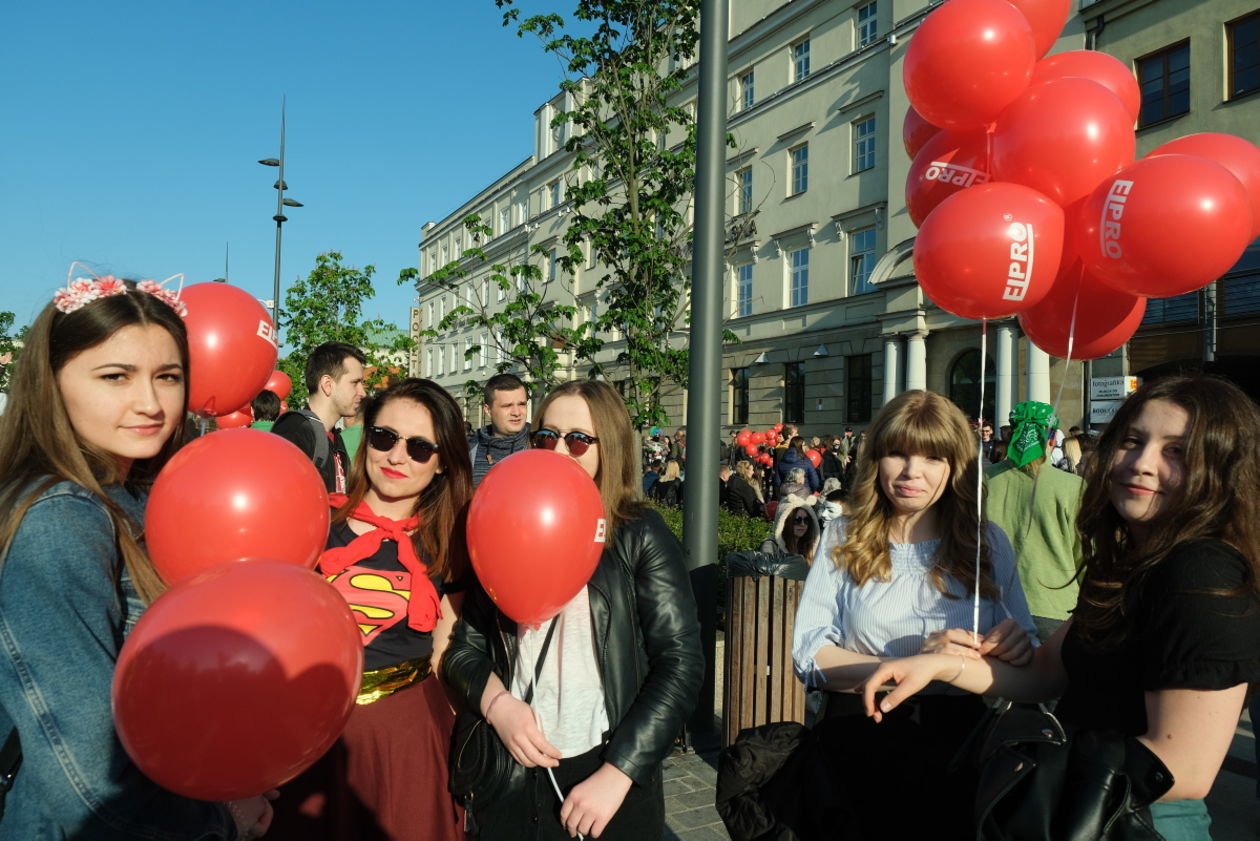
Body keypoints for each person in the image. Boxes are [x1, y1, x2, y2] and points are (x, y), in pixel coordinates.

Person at [862, 376, 1260, 839]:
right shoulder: (1133, 560)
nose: (1142, 464)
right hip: (1083, 805)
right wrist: (943, 664)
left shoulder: (1200, 571)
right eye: (1132, 441)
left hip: (1133, 820)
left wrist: (1027, 762)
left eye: (1177, 451)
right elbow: (1046, 671)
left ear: (1223, 469)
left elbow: (1183, 768)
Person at [0, 275, 272, 839]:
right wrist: (219, 818)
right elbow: (87, 774)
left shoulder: (143, 495)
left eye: (168, 377)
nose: (149, 403)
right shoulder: (59, 518)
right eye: (115, 377)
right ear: (51, 383)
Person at [443, 379, 703, 840]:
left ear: (610, 447)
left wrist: (620, 772)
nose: (559, 450)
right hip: (511, 766)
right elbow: (465, 649)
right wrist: (499, 706)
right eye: (546, 436)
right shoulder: (510, 521)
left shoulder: (638, 534)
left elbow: (680, 664)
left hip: (604, 771)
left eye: (579, 439)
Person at [791, 389, 1037, 839]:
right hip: (860, 738)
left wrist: (1008, 649)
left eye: (932, 458)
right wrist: (906, 668)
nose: (911, 472)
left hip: (962, 746)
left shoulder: (988, 542)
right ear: (876, 459)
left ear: (956, 465)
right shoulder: (844, 535)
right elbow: (810, 652)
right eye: (897, 454)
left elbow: (1028, 654)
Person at [270, 378, 470, 841]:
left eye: (420, 448)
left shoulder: (453, 542)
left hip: (405, 738)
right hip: (307, 736)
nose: (397, 457)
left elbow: (446, 650)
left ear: (442, 463)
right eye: (384, 437)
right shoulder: (312, 521)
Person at [985, 401, 1085, 642]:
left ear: (1010, 435)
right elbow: (1086, 555)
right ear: (1051, 438)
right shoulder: (1074, 486)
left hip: (993, 608)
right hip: (1056, 608)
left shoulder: (982, 481)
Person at [271, 341, 366, 493]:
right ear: (327, 384)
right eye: (355, 383)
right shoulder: (294, 431)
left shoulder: (335, 438)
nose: (362, 392)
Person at [469, 372, 531, 487]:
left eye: (522, 404)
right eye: (507, 406)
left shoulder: (542, 444)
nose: (517, 413)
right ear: (488, 410)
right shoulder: (468, 451)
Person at [760, 495, 820, 562]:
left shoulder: (810, 547)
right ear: (784, 521)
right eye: (797, 520)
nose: (802, 524)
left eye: (806, 520)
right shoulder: (770, 546)